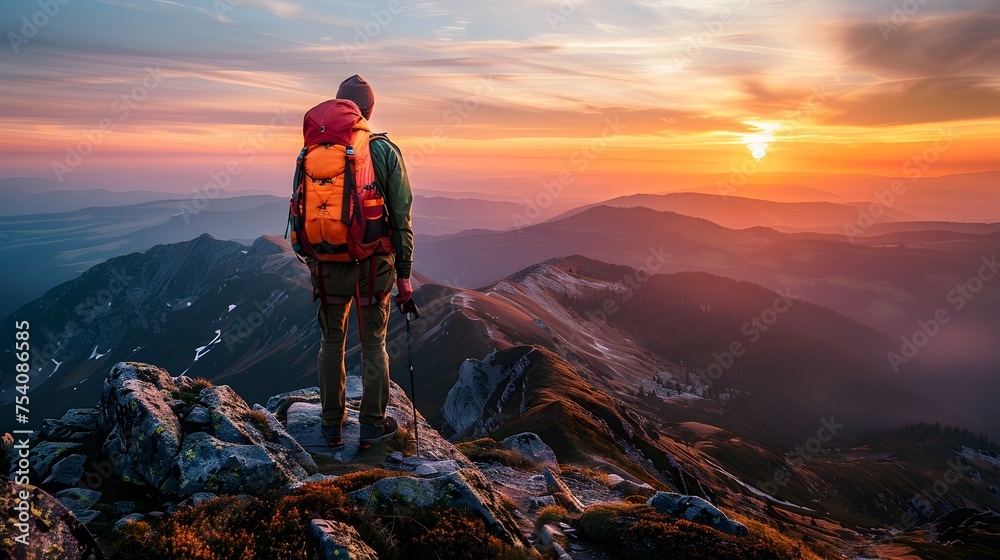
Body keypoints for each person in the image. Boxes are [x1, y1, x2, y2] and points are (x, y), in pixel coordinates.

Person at [311, 75, 414, 448]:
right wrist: (404, 277)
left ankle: (330, 427)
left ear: (339, 106)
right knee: (374, 343)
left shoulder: (313, 151)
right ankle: (372, 425)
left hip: (328, 263)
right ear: (369, 110)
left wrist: (315, 260)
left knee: (330, 342)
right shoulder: (384, 151)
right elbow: (401, 218)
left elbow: (297, 213)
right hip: (374, 265)